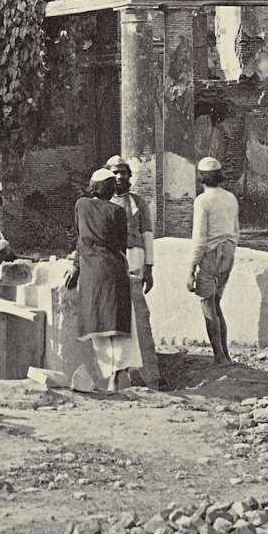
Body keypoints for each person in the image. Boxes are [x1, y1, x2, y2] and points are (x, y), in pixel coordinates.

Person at [72, 166, 134, 368]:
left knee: (96, 322)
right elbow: (121, 244)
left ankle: (108, 373)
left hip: (92, 272)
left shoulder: (81, 205)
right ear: (111, 189)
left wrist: (75, 265)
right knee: (117, 324)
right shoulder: (118, 211)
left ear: (93, 187)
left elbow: (79, 237)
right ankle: (119, 372)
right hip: (115, 271)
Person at [107, 154, 158, 378]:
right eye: (116, 173)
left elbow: (147, 235)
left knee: (136, 311)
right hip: (112, 258)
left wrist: (149, 267)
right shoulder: (103, 202)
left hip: (134, 255)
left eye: (124, 173)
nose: (120, 177)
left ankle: (143, 367)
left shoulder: (138, 202)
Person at [188, 156, 240, 363]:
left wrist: (191, 268)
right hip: (228, 251)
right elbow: (236, 230)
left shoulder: (202, 201)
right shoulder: (230, 198)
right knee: (216, 303)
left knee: (207, 305)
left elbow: (199, 238)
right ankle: (225, 354)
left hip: (211, 253)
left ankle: (219, 357)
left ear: (201, 178)